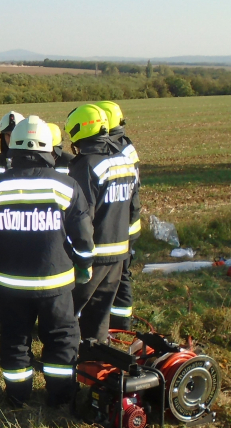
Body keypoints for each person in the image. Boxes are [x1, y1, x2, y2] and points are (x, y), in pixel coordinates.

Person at [0, 115, 95, 408]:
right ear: (49, 148)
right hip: (57, 284)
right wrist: (83, 264)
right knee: (61, 339)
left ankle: (17, 397)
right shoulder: (67, 187)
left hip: (11, 285)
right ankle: (61, 397)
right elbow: (83, 234)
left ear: (12, 147)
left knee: (15, 340)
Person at [67, 104, 140, 343]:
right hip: (119, 252)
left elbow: (81, 216)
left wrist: (79, 255)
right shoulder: (122, 161)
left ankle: (66, 361)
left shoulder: (86, 166)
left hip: (94, 254)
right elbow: (132, 206)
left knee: (67, 311)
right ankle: (96, 362)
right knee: (99, 316)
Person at [94, 101, 142, 330]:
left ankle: (120, 324)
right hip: (126, 222)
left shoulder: (116, 149)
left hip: (120, 225)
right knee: (120, 274)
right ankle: (117, 322)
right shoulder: (124, 145)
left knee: (120, 276)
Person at [0, 111, 24, 177]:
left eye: (15, 134)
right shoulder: (1, 158)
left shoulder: (33, 158)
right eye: (8, 135)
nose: (11, 139)